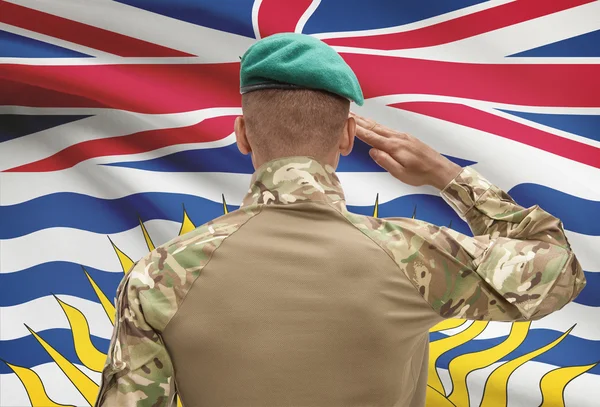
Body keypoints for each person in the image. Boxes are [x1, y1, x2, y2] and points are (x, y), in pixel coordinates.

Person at [95, 33, 586, 407]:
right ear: (349, 135)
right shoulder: (415, 256)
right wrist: (447, 175)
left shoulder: (159, 276)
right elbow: (560, 269)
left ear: (243, 134)